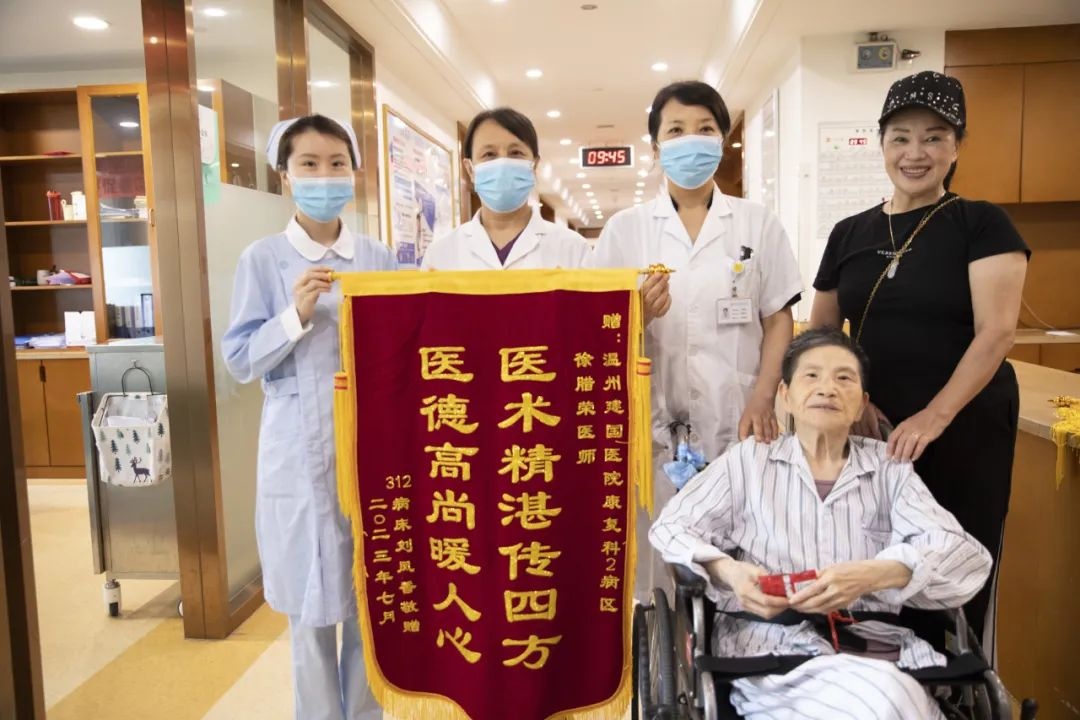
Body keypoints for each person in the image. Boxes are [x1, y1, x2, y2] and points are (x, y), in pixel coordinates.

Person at [650, 328, 992, 720]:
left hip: (879, 652)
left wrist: (877, 573)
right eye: (811, 376)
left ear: (862, 404)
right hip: (772, 654)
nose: (827, 388)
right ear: (786, 395)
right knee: (881, 704)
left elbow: (964, 557)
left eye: (844, 378)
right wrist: (728, 571)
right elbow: (671, 527)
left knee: (886, 699)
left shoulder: (889, 469)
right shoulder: (749, 462)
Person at [809, 71, 1029, 646]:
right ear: (881, 143)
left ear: (956, 147)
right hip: (872, 428)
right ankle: (883, 677)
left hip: (964, 427)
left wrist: (935, 416)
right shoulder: (849, 232)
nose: (915, 153)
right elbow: (823, 330)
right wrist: (851, 400)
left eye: (934, 137)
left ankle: (953, 678)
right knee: (873, 557)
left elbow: (997, 332)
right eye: (901, 137)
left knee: (953, 560)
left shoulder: (981, 224)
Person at [589, 81, 803, 600]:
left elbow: (778, 318)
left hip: (739, 418)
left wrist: (763, 396)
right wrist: (635, 316)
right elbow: (595, 328)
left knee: (741, 560)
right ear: (656, 147)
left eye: (704, 129)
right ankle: (660, 643)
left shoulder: (756, 223)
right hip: (653, 426)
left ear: (722, 140)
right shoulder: (625, 230)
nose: (691, 140)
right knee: (659, 568)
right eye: (676, 130)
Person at [222, 114, 395, 720]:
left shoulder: (376, 256)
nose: (325, 176)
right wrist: (294, 314)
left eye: (337, 164)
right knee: (311, 610)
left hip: (369, 445)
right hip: (297, 450)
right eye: (309, 165)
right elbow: (240, 358)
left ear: (354, 172)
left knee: (371, 602)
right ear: (285, 175)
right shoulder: (263, 259)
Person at [421, 107, 589, 270]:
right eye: (489, 154)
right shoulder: (439, 255)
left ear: (534, 166)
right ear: (470, 169)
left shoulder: (573, 249)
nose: (502, 164)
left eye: (515, 153)